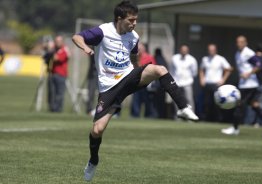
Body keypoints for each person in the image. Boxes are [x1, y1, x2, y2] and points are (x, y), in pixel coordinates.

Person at [72, 1, 198, 181]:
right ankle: (93, 160)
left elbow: (134, 56)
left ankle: (183, 108)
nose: (134, 23)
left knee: (159, 69)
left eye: (136, 20)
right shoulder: (103, 31)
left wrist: (140, 74)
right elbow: (77, 37)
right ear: (119, 18)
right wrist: (85, 47)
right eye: (131, 20)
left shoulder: (134, 36)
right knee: (97, 130)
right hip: (109, 87)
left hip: (129, 76)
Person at [221, 35, 262, 138]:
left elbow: (258, 65)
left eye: (241, 42)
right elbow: (241, 67)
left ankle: (235, 129)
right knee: (254, 105)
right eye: (237, 42)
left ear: (245, 43)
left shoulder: (248, 53)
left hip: (250, 84)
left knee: (239, 104)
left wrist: (248, 74)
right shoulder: (237, 54)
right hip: (244, 84)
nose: (239, 44)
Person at [199, 44, 232, 122]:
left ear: (215, 50)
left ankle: (218, 120)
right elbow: (201, 69)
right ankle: (205, 119)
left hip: (216, 84)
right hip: (207, 84)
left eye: (213, 50)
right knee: (206, 103)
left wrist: (223, 80)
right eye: (210, 50)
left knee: (217, 103)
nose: (211, 51)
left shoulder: (220, 59)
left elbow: (229, 69)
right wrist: (202, 79)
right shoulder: (205, 59)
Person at [130, 42, 158, 118]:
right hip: (136, 82)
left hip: (146, 82)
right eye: (138, 49)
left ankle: (148, 115)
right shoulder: (135, 57)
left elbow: (154, 68)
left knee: (147, 100)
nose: (138, 50)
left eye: (140, 48)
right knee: (136, 100)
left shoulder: (149, 57)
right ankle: (135, 115)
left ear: (143, 49)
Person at [171, 45, 198, 112]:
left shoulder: (192, 59)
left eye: (185, 50)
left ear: (188, 50)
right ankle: (178, 115)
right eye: (183, 49)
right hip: (177, 82)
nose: (184, 51)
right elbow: (171, 69)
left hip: (187, 82)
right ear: (180, 50)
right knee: (177, 99)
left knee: (189, 99)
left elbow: (194, 72)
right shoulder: (174, 58)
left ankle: (191, 115)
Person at [49, 36, 69, 112]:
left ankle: (58, 109)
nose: (57, 43)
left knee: (59, 93)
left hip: (61, 75)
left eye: (59, 41)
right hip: (53, 73)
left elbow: (56, 58)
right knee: (52, 92)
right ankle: (52, 108)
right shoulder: (55, 49)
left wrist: (52, 50)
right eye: (56, 41)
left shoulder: (64, 50)